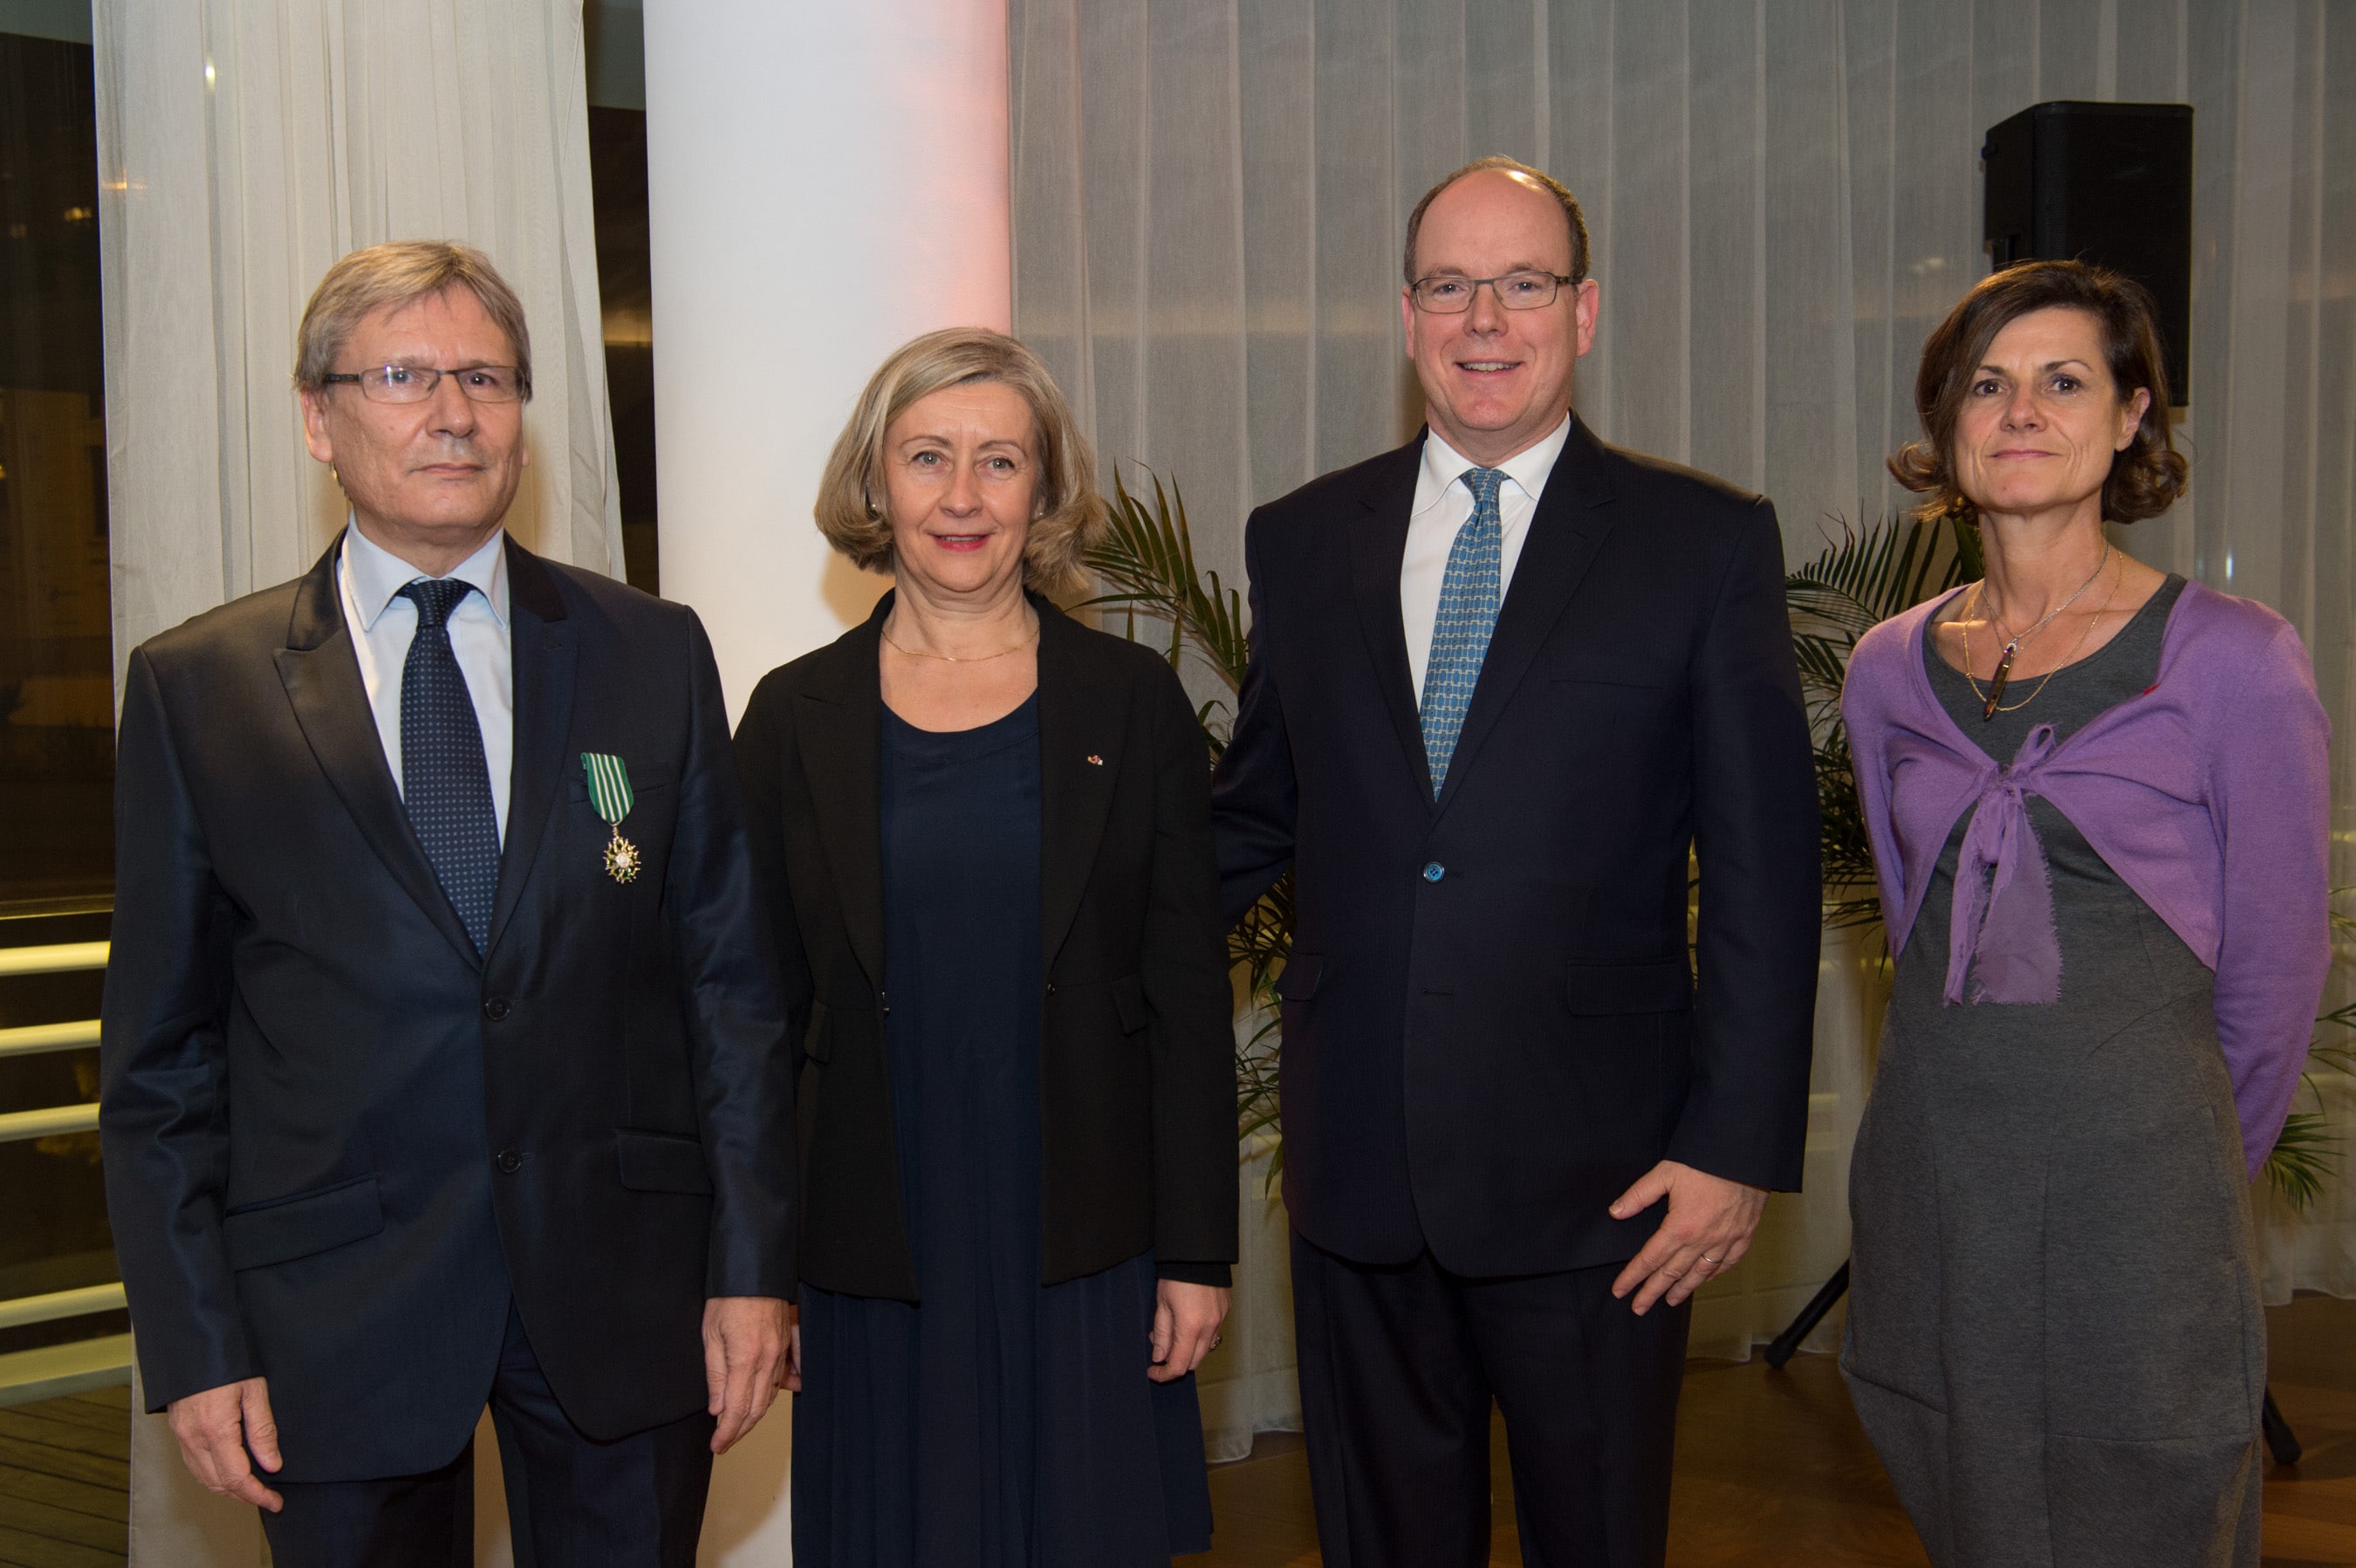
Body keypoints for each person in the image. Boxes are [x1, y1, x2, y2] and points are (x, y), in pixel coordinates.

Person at [99, 241, 794, 1566]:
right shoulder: (201, 689)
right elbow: (160, 1063)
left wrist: (753, 1264)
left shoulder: (652, 651)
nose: (453, 412)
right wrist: (195, 1344)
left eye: (485, 376)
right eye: (404, 375)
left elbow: (732, 991)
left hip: (622, 1288)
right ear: (320, 414)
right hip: (334, 1311)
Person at [1210, 156, 1822, 1567]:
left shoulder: (1704, 543)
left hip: (1607, 1186)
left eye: (1524, 282)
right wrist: (1057, 936)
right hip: (1361, 1162)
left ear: (1585, 309)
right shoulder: (1302, 540)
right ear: (1407, 313)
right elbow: (1252, 815)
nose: (1486, 317)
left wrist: (1732, 1143)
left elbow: (1760, 870)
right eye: (1450, 284)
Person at [1839, 259, 2331, 1567]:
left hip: (2146, 1189)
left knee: (2154, 1504)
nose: (2021, 411)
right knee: (1968, 1499)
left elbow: (2279, 973)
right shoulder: (1887, 668)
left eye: (2065, 381)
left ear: (2130, 418)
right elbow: (1918, 924)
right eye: (1987, 385)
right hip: (1941, 1174)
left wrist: (2181, 1181)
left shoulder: (2233, 656)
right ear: (1947, 426)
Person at [732, 326, 1238, 1567]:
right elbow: (750, 1014)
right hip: (873, 1230)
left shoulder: (1133, 703)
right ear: (876, 484)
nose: (962, 496)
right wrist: (757, 1266)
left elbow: (1186, 997)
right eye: (927, 457)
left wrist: (1196, 1249)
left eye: (1000, 460)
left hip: (1084, 1224)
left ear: (1045, 491)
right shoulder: (793, 717)